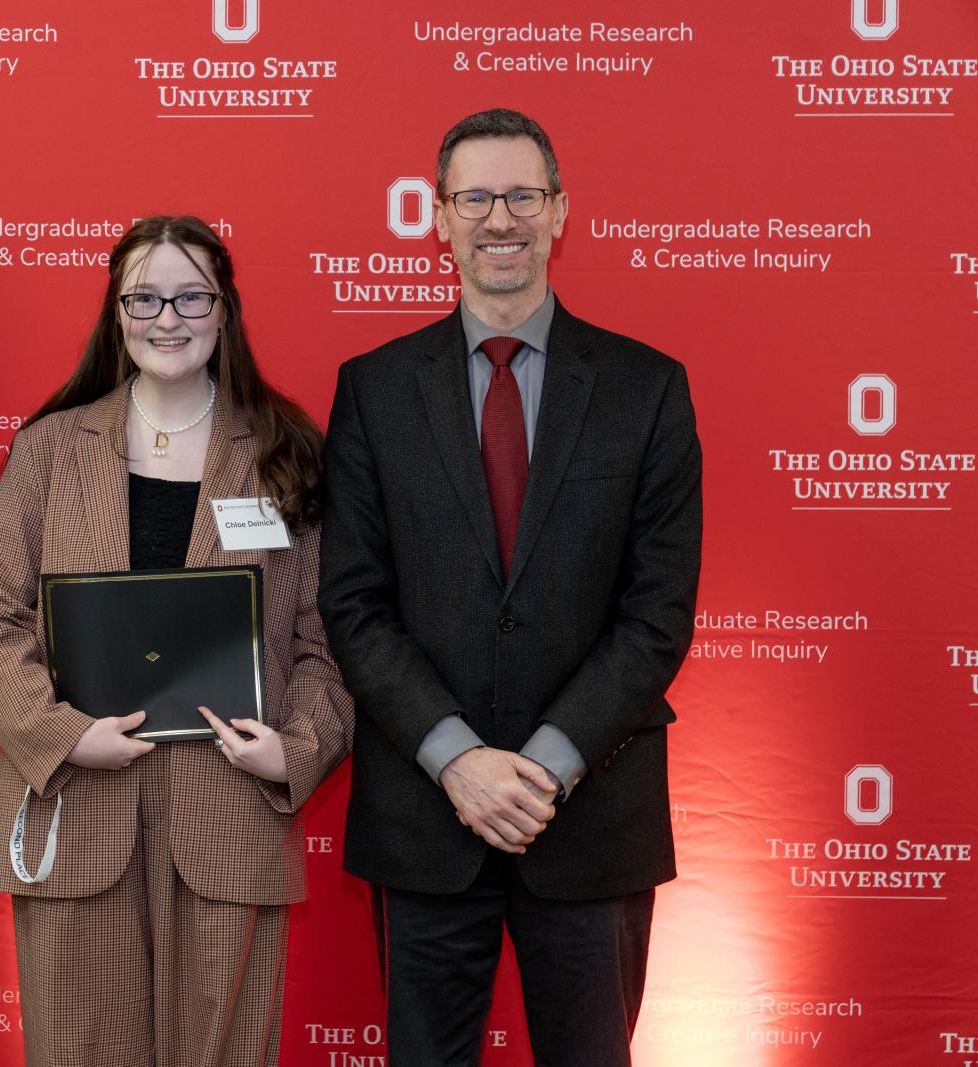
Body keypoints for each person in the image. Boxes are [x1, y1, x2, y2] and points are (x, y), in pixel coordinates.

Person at [318, 109, 703, 1065]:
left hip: (592, 815)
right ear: (438, 218)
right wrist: (459, 762)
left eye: (523, 195)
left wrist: (543, 766)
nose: (502, 218)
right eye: (475, 197)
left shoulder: (647, 387)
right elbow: (355, 606)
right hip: (426, 818)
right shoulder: (372, 388)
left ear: (559, 211)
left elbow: (656, 617)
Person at [0, 215, 352, 1067]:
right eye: (145, 296)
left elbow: (329, 635)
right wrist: (64, 735)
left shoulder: (287, 452)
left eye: (191, 296)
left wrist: (296, 748)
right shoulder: (50, 448)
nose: (167, 318)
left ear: (225, 308)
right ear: (117, 308)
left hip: (230, 815)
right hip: (79, 811)